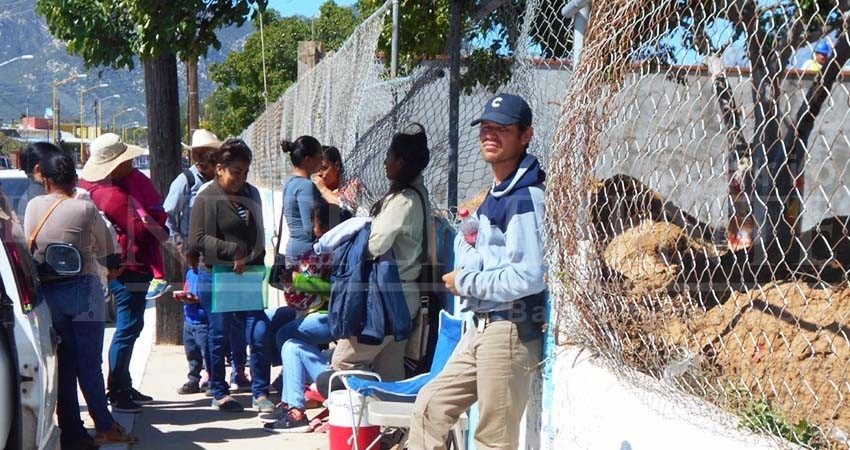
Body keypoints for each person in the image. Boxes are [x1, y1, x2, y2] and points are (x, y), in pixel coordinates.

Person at [410, 94, 547, 450]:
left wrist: (466, 281)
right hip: (482, 326)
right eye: (486, 128)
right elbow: (472, 246)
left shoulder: (523, 197)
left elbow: (528, 275)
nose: (490, 135)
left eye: (502, 129)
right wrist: (468, 247)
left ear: (525, 135)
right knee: (430, 405)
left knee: (492, 440)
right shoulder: (497, 194)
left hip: (510, 330)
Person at [24, 149, 137, 449]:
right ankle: (103, 425)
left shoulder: (33, 206)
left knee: (64, 362)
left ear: (45, 180)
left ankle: (72, 431)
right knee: (88, 363)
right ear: (73, 180)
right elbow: (106, 247)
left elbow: (27, 245)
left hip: (48, 294)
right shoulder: (84, 208)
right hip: (83, 292)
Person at [330, 123, 431, 382]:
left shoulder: (404, 201)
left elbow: (374, 245)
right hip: (404, 295)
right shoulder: (418, 194)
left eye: (390, 156)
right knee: (390, 370)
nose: (385, 161)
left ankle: (357, 419)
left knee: (344, 360)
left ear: (402, 162)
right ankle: (391, 422)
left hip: (389, 298)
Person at [187, 138, 274, 413]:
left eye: (245, 172)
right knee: (219, 335)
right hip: (215, 276)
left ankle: (261, 392)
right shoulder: (206, 196)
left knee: (259, 332)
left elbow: (258, 232)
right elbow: (197, 239)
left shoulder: (252, 194)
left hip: (247, 275)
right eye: (236, 171)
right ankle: (220, 391)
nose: (241, 178)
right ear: (220, 168)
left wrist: (251, 259)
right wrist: (232, 250)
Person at [79, 133, 157, 413]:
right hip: (128, 268)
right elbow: (141, 227)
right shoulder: (112, 194)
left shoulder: (96, 187)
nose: (132, 163)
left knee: (131, 326)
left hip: (123, 266)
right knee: (128, 327)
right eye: (126, 159)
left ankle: (122, 382)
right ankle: (118, 389)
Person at [164, 129, 221, 395]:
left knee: (216, 317)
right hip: (196, 260)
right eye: (196, 154)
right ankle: (196, 373)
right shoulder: (186, 181)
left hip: (219, 257)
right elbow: (169, 217)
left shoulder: (223, 182)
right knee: (196, 316)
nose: (200, 159)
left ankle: (215, 373)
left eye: (205, 154)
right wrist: (181, 246)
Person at [119, 167, 171, 300]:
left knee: (151, 244)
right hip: (154, 211)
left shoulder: (130, 178)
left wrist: (144, 219)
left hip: (150, 213)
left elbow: (137, 202)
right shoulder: (135, 175)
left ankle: (159, 278)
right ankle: (158, 278)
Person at [280, 135, 323, 268]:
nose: (322, 161)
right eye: (320, 156)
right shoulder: (305, 186)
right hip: (305, 256)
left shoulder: (291, 183)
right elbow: (311, 228)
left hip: (295, 251)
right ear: (308, 160)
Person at [314, 145, 368, 216]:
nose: (319, 173)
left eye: (324, 168)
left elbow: (346, 209)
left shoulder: (351, 186)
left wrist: (323, 189)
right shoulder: (315, 190)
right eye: (316, 168)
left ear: (337, 166)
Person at [15, 142, 61, 220]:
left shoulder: (36, 195)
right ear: (38, 169)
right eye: (57, 165)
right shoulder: (40, 200)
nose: (62, 170)